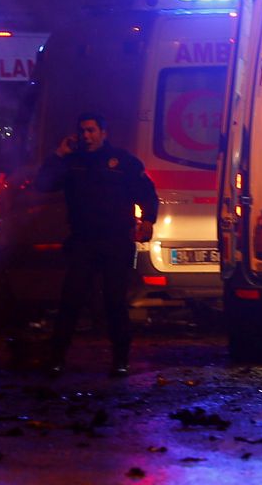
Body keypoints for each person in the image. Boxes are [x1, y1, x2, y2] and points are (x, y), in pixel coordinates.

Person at [34, 112, 158, 377]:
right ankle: (56, 358)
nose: (86, 136)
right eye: (83, 131)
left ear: (103, 132)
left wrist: (148, 220)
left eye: (91, 131)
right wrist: (58, 154)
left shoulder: (123, 162)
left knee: (115, 301)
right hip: (83, 240)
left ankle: (120, 360)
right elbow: (43, 185)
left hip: (115, 240)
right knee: (71, 300)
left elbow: (146, 192)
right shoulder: (72, 162)